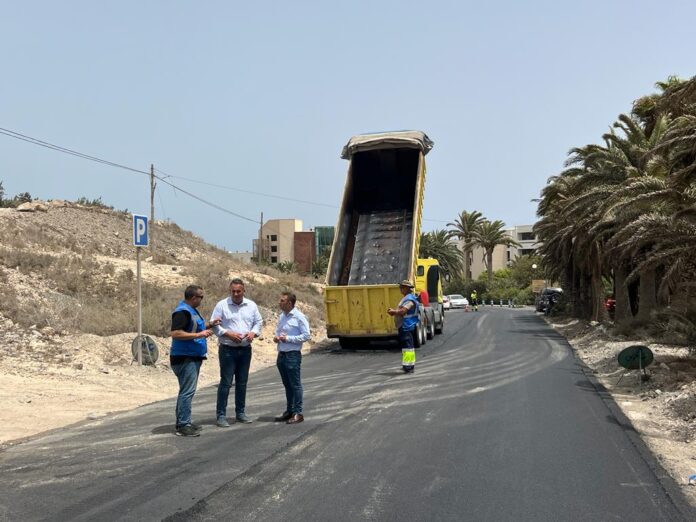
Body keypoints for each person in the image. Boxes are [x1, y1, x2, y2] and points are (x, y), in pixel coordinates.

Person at [211, 278, 263, 427]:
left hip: (245, 350)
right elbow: (214, 325)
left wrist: (253, 333)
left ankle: (240, 413)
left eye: (238, 291)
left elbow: (258, 322)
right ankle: (221, 415)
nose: (235, 294)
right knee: (226, 383)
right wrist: (227, 334)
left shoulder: (251, 305)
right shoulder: (222, 305)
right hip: (227, 350)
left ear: (243, 290)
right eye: (233, 291)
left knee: (242, 383)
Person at [170, 285, 221, 437]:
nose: (201, 300)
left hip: (191, 356)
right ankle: (183, 425)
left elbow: (195, 326)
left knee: (185, 391)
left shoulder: (190, 311)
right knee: (187, 392)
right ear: (193, 298)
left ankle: (184, 422)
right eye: (201, 297)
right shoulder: (183, 312)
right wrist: (199, 335)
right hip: (185, 357)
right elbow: (176, 333)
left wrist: (210, 325)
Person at [273, 292, 311, 424]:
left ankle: (298, 412)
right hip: (282, 354)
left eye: (282, 300)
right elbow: (278, 332)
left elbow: (306, 335)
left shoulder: (299, 317)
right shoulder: (281, 316)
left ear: (290, 303)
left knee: (295, 385)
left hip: (292, 355)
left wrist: (288, 338)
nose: (280, 302)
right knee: (287, 385)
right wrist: (277, 338)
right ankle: (289, 410)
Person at [387, 280, 420, 373]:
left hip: (406, 325)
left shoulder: (409, 300)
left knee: (408, 347)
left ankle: (408, 367)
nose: (401, 289)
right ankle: (408, 365)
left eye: (402, 287)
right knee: (407, 347)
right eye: (400, 287)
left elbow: (403, 311)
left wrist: (393, 312)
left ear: (407, 288)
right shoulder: (407, 298)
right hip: (406, 325)